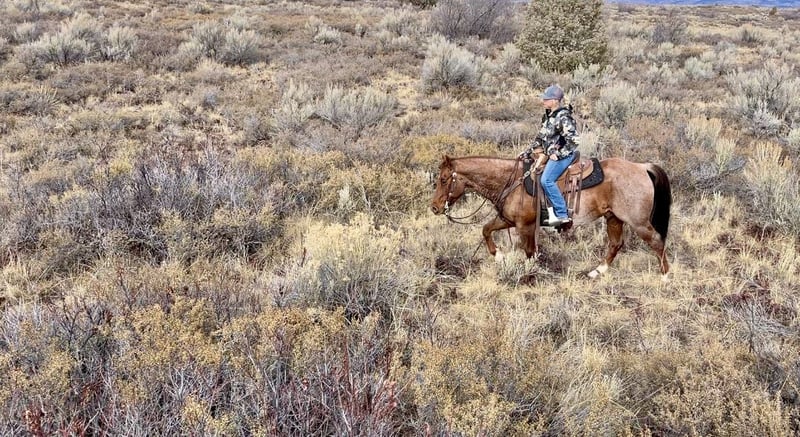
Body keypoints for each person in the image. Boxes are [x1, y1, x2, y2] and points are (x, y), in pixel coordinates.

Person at [518, 84, 580, 227]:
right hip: (549, 154)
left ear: (555, 101)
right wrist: (527, 152)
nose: (543, 101)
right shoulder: (548, 116)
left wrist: (559, 154)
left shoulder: (563, 117)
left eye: (546, 99)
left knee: (546, 180)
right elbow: (540, 138)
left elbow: (574, 140)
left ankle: (562, 214)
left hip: (564, 156)